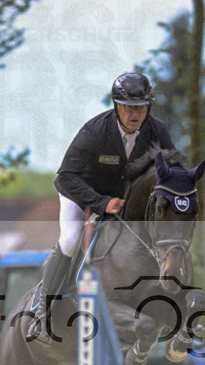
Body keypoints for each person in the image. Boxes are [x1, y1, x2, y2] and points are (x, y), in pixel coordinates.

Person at [28, 72, 176, 344]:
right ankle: (42, 309)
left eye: (141, 107)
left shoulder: (158, 132)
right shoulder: (95, 131)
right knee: (71, 240)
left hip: (123, 202)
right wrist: (100, 203)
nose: (135, 114)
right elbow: (66, 177)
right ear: (117, 106)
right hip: (80, 194)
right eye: (129, 107)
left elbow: (170, 173)